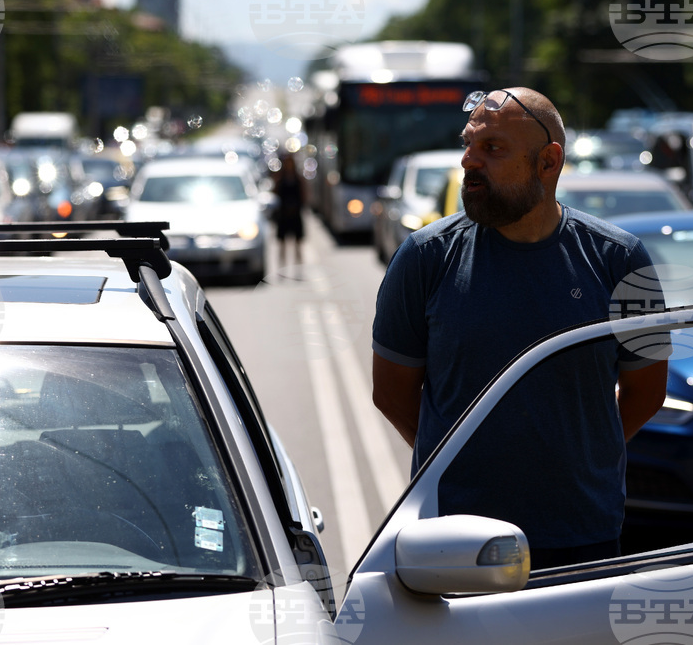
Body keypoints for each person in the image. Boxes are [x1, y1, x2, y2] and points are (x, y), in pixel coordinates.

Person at [371, 87, 668, 569]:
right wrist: (458, 465)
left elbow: (647, 391)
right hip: (456, 540)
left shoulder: (620, 259)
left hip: (582, 536)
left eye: (492, 149)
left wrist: (578, 461)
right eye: (468, 144)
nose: (469, 161)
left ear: (548, 162)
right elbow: (391, 392)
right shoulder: (424, 258)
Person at [271, 153, 306, 268]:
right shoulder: (280, 179)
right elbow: (275, 194)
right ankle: (282, 266)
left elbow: (304, 195)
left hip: (295, 213)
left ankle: (299, 265)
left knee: (298, 243)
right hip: (283, 214)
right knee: (282, 244)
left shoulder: (298, 179)